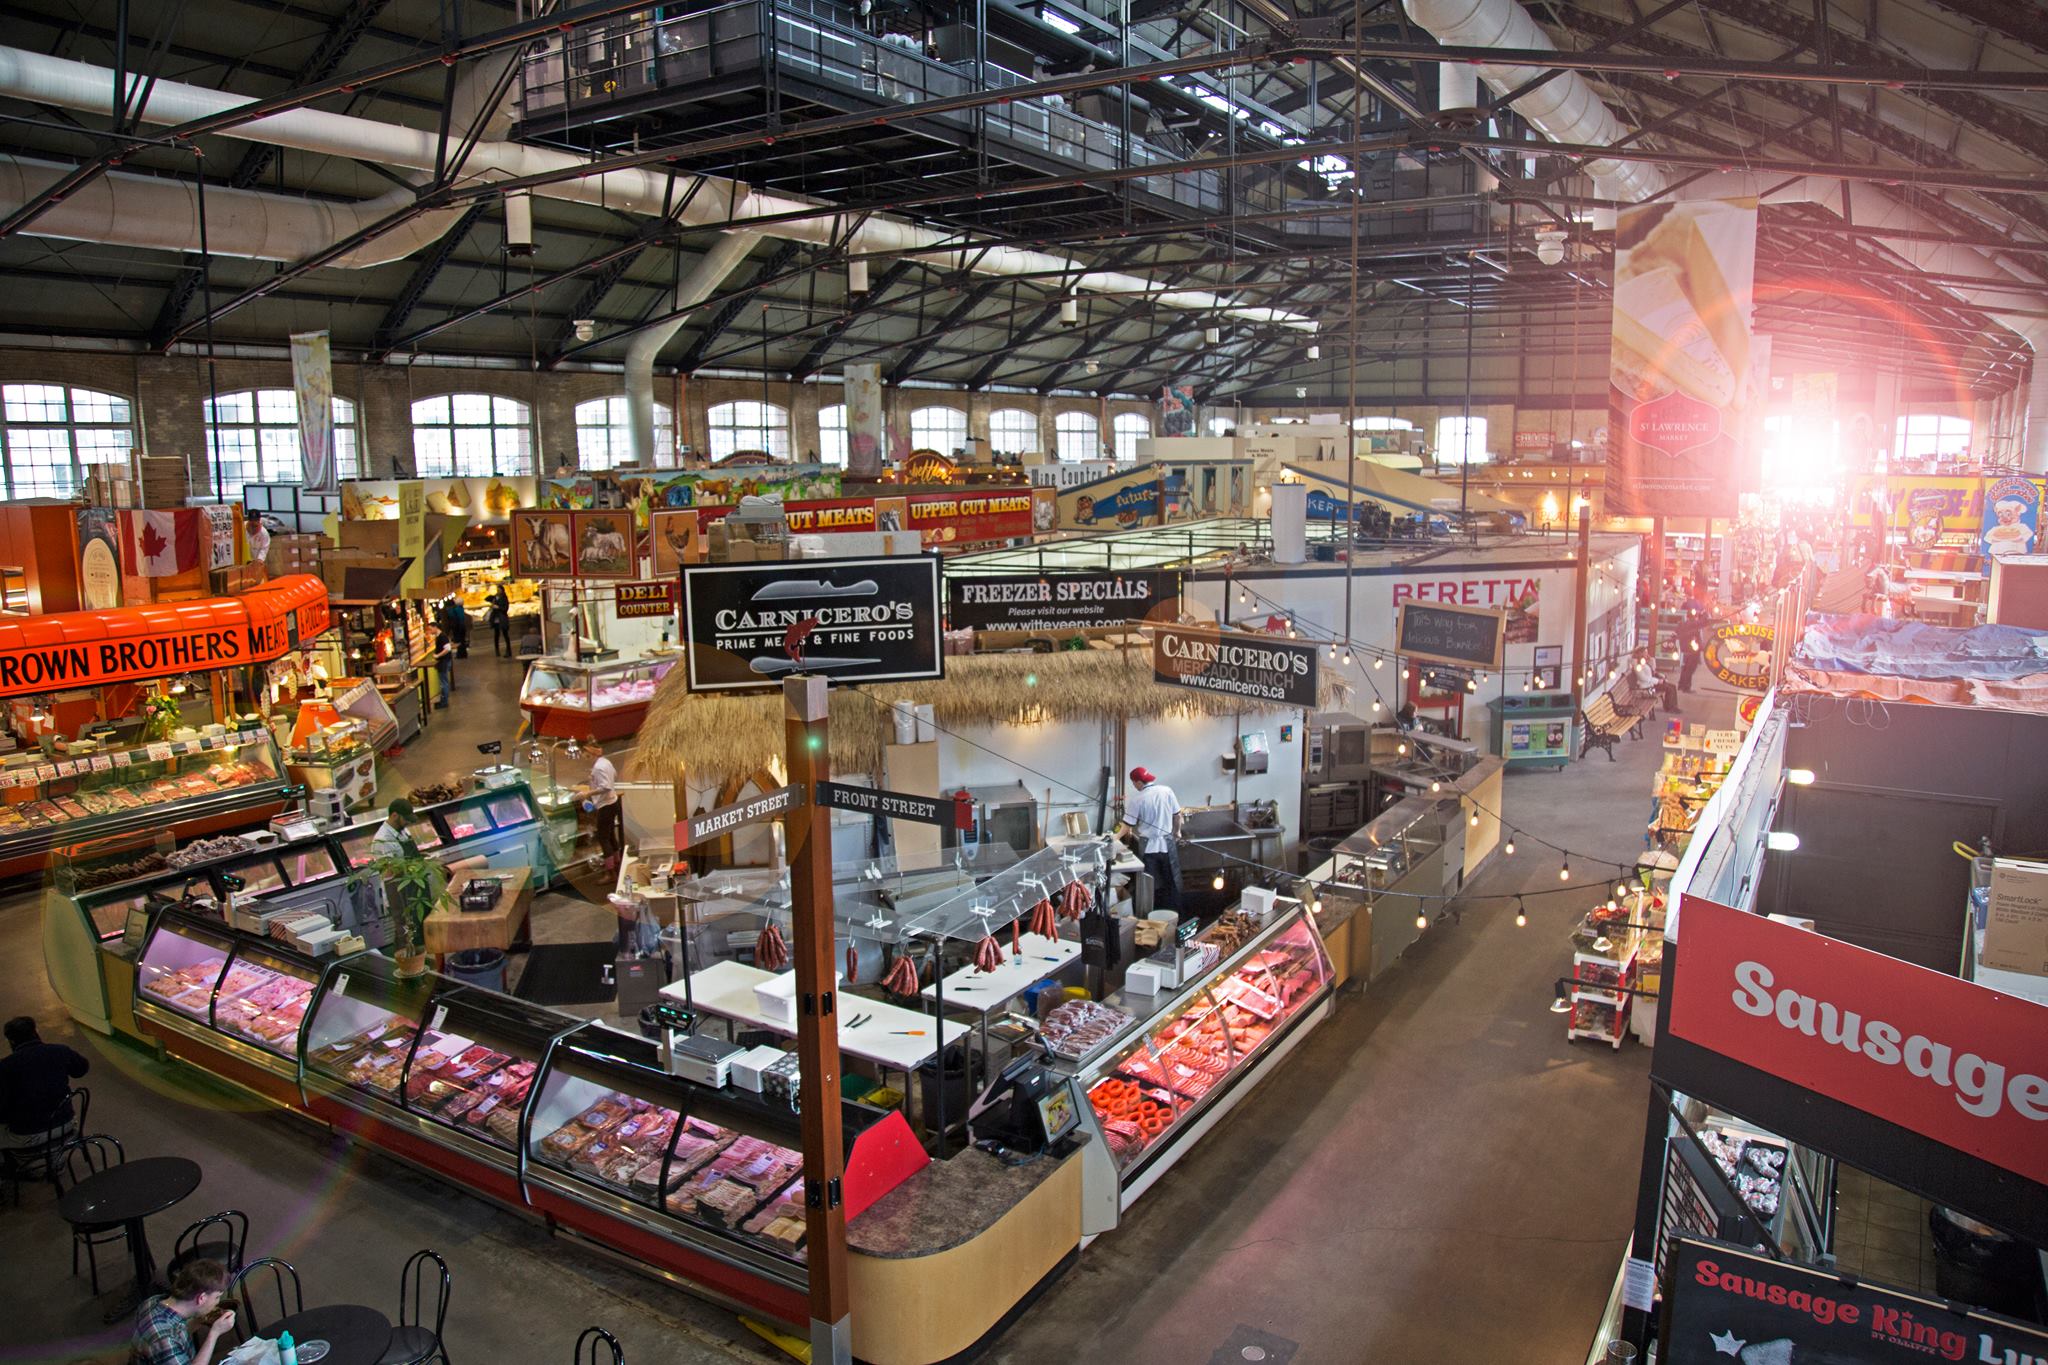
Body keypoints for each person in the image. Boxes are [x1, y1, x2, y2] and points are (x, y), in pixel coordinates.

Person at [0, 1015, 89, 1153]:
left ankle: (16, 1166)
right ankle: (54, 1159)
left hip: (28, 1134)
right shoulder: (60, 1051)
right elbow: (81, 1069)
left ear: (11, 1041)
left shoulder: (5, 1067)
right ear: (36, 1032)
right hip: (66, 1124)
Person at [130, 1257, 235, 1365]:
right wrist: (214, 1333)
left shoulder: (152, 1301)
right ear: (201, 1298)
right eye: (217, 1297)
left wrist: (199, 1321)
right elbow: (170, 1338)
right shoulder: (165, 1340)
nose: (217, 1303)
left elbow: (178, 1333)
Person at [1120, 766, 1183, 912]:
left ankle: (1150, 915)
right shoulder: (1167, 790)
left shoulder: (1137, 799)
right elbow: (1177, 815)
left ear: (1137, 782)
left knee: (1149, 884)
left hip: (1148, 848)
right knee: (1173, 881)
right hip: (1167, 845)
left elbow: (1126, 826)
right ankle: (1176, 913)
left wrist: (1114, 837)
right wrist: (1177, 832)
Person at [579, 740, 622, 871]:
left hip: (605, 805)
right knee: (610, 836)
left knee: (603, 838)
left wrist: (588, 793)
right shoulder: (605, 762)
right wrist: (593, 779)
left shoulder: (598, 767)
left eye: (583, 753)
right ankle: (617, 865)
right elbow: (613, 775)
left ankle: (610, 872)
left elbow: (606, 786)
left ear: (589, 753)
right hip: (613, 802)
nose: (582, 756)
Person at [432, 622, 456, 709]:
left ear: (435, 627)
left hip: (444, 662)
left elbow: (448, 648)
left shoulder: (442, 636)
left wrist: (438, 655)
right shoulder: (440, 636)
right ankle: (443, 701)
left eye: (431, 628)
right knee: (444, 682)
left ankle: (444, 702)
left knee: (444, 682)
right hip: (443, 661)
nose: (430, 631)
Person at [486, 584, 512, 658]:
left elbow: (505, 608)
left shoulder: (504, 598)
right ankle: (497, 651)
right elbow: (486, 598)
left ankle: (508, 650)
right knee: (496, 635)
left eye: (499, 590)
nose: (498, 591)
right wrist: (493, 597)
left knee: (505, 635)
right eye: (497, 590)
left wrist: (498, 607)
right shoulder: (495, 597)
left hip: (502, 619)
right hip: (496, 619)